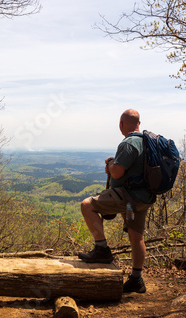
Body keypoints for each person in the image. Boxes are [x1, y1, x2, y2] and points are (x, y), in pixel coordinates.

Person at [77, 109, 156, 294]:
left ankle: (101, 249)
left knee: (87, 205)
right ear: (139, 123)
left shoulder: (129, 143)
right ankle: (137, 279)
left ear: (121, 124)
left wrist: (111, 163)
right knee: (137, 236)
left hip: (128, 197)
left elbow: (117, 172)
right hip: (144, 198)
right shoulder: (147, 142)